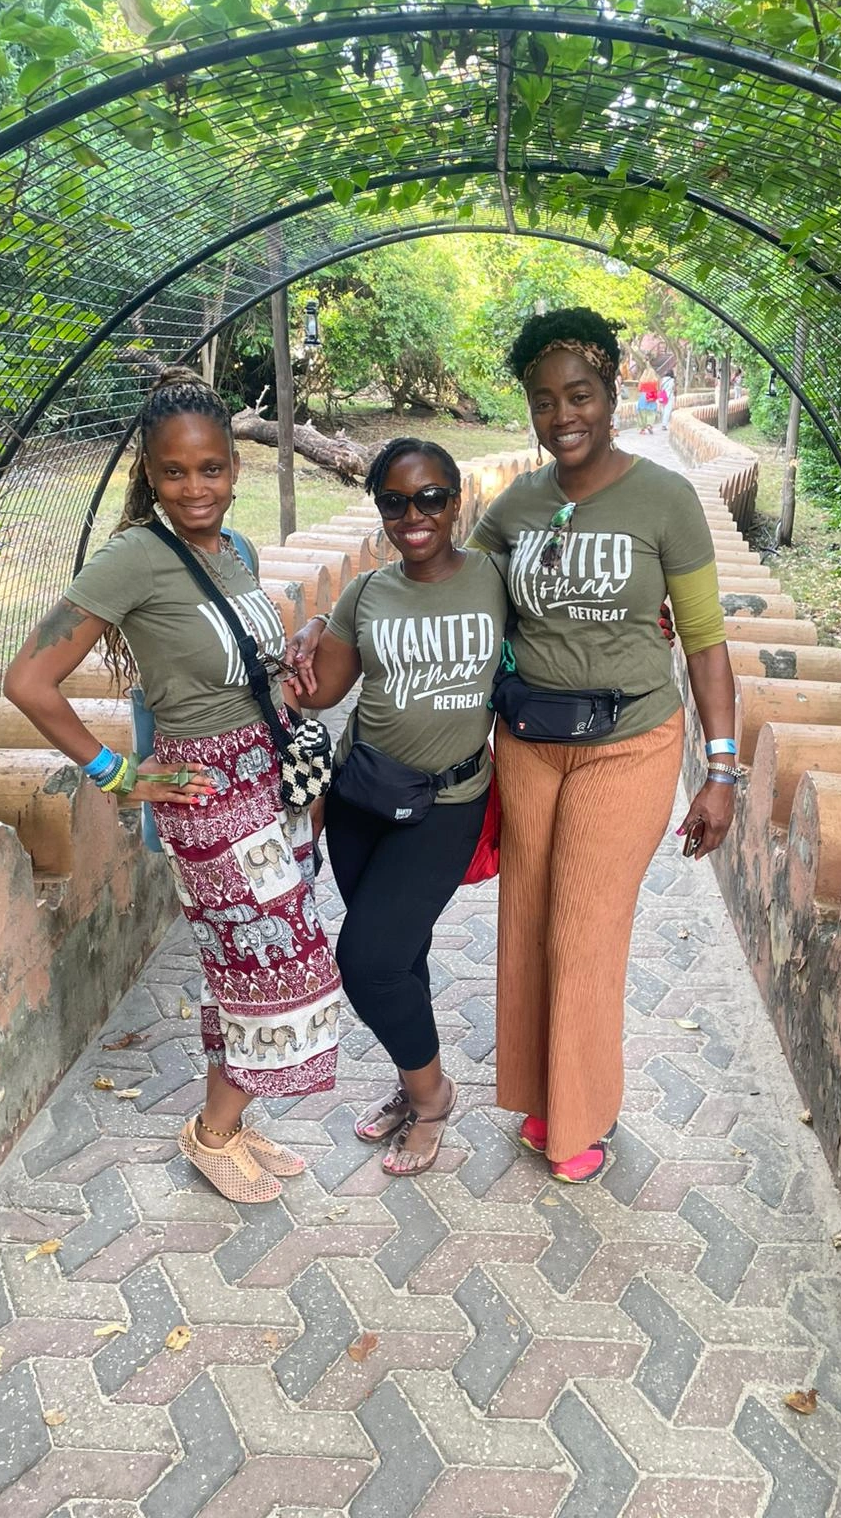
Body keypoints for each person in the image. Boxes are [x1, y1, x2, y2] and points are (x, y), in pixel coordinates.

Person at [3, 366, 340, 1205]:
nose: (196, 488)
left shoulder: (237, 551)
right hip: (206, 795)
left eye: (211, 468)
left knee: (244, 965)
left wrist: (293, 664)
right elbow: (29, 681)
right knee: (279, 964)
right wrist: (119, 774)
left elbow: (240, 664)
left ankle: (233, 1122)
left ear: (235, 466)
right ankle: (213, 1132)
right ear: (149, 475)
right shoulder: (133, 559)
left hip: (270, 780)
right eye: (176, 472)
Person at [468, 306, 737, 1184]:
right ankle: (544, 1090)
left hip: (629, 742)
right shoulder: (518, 504)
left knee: (585, 928)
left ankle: (582, 1116)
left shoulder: (664, 500)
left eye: (579, 394)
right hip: (530, 740)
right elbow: (455, 589)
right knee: (529, 920)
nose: (562, 416)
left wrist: (722, 772)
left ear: (612, 392)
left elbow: (705, 643)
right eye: (544, 400)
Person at [292, 437, 506, 1175]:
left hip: (449, 802)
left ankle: (434, 1097)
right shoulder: (368, 593)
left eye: (430, 498)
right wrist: (308, 635)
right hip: (362, 796)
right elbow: (324, 690)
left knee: (368, 961)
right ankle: (414, 1082)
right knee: (402, 954)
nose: (414, 516)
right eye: (394, 502)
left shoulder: (494, 579)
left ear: (456, 500)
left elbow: (561, 636)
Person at [636, 364, 659, 433]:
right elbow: (657, 389)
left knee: (642, 413)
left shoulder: (642, 381)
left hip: (643, 397)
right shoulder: (655, 381)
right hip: (651, 396)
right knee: (651, 412)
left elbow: (639, 389)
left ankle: (642, 429)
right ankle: (649, 424)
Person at [660, 368, 677, 432]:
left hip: (662, 395)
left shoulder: (662, 379)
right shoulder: (672, 380)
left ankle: (663, 422)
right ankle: (664, 425)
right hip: (669, 396)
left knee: (663, 409)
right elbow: (674, 389)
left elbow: (660, 387)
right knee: (667, 410)